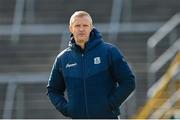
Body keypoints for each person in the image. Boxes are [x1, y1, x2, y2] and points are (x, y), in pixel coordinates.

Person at [47, 11, 135, 119]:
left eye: (85, 25)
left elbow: (128, 82)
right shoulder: (62, 59)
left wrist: (110, 105)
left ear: (91, 27)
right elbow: (53, 90)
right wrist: (67, 109)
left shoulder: (109, 52)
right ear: (71, 28)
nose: (81, 29)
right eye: (77, 25)